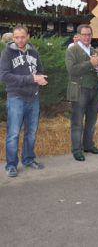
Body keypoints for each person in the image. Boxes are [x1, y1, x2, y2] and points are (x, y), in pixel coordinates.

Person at [0, 26, 48, 177]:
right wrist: (31, 78)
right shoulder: (7, 53)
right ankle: (11, 165)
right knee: (13, 134)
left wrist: (41, 79)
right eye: (16, 37)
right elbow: (4, 76)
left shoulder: (34, 52)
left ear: (28, 36)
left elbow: (40, 70)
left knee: (31, 133)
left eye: (22, 36)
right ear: (13, 38)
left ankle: (28, 159)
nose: (20, 40)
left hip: (33, 97)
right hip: (16, 97)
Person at [65, 24, 98, 162]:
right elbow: (72, 70)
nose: (87, 37)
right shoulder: (72, 50)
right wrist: (91, 63)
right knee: (77, 122)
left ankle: (88, 145)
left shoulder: (94, 50)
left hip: (94, 90)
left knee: (91, 121)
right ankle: (77, 150)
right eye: (84, 34)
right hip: (79, 90)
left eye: (89, 34)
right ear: (78, 35)